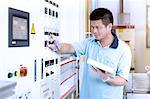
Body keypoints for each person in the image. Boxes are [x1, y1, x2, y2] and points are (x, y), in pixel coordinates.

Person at [48, 8, 132, 99]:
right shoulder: (89, 43)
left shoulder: (123, 49)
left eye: (98, 27)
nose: (94, 31)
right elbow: (70, 47)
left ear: (109, 27)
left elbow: (123, 80)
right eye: (92, 27)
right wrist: (58, 45)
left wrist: (107, 78)